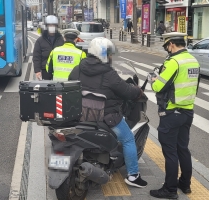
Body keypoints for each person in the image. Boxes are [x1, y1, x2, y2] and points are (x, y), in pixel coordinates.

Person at [68, 37, 148, 188]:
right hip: (106, 118)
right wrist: (138, 92)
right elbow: (126, 90)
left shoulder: (77, 69)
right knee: (128, 139)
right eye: (109, 54)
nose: (111, 57)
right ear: (103, 55)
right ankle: (133, 175)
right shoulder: (108, 73)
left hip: (80, 115)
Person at [148, 32, 200, 199]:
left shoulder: (173, 62)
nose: (167, 50)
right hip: (187, 112)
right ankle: (185, 184)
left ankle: (170, 190)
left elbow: (157, 87)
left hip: (171, 114)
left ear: (171, 44)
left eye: (167, 46)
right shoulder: (193, 60)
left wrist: (153, 79)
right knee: (182, 149)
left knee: (170, 152)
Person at [33, 15, 64, 80]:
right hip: (45, 70)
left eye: (54, 25)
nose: (52, 27)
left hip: (59, 69)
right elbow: (36, 56)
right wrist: (37, 70)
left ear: (56, 26)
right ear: (46, 26)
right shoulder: (40, 41)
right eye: (50, 25)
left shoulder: (61, 39)